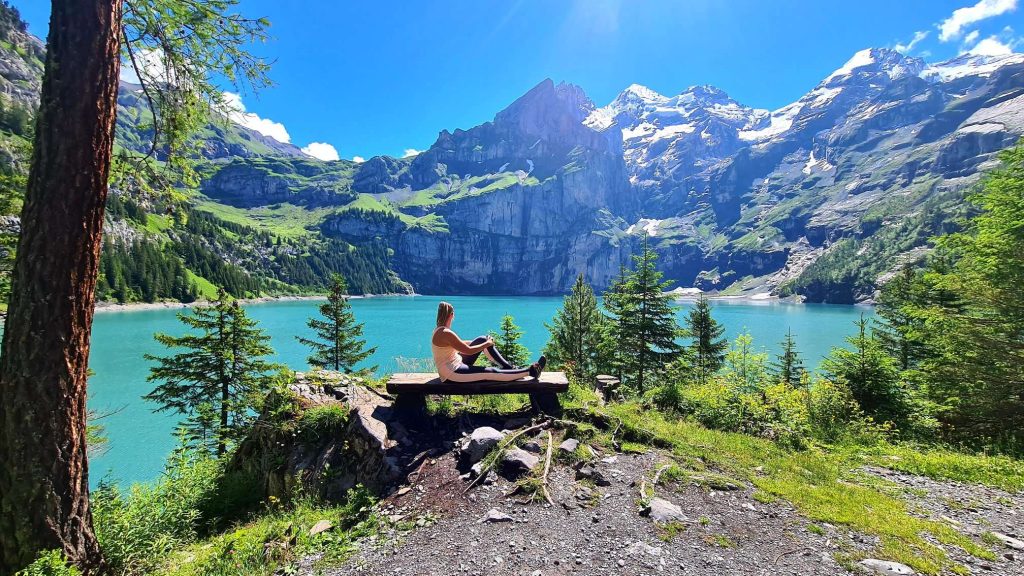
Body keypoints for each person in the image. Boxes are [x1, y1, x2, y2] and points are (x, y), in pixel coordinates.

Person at [431, 301, 546, 382]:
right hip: (452, 373)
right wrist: (487, 344)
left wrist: (484, 342)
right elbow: (468, 351)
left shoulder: (439, 330)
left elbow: (460, 343)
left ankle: (508, 368)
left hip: (454, 364)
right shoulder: (445, 333)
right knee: (490, 372)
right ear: (451, 315)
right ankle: (531, 371)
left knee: (482, 339)